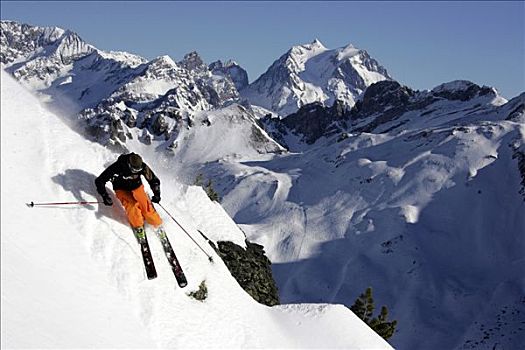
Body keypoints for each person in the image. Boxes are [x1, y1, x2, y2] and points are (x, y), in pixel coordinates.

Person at [95, 153, 162, 231]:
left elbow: (153, 180)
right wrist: (104, 195)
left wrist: (157, 193)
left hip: (137, 186)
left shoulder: (142, 166)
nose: (136, 172)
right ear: (129, 164)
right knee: (132, 206)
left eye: (138, 170)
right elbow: (99, 181)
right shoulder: (117, 167)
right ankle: (138, 225)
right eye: (134, 170)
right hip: (121, 189)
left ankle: (156, 223)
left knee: (146, 207)